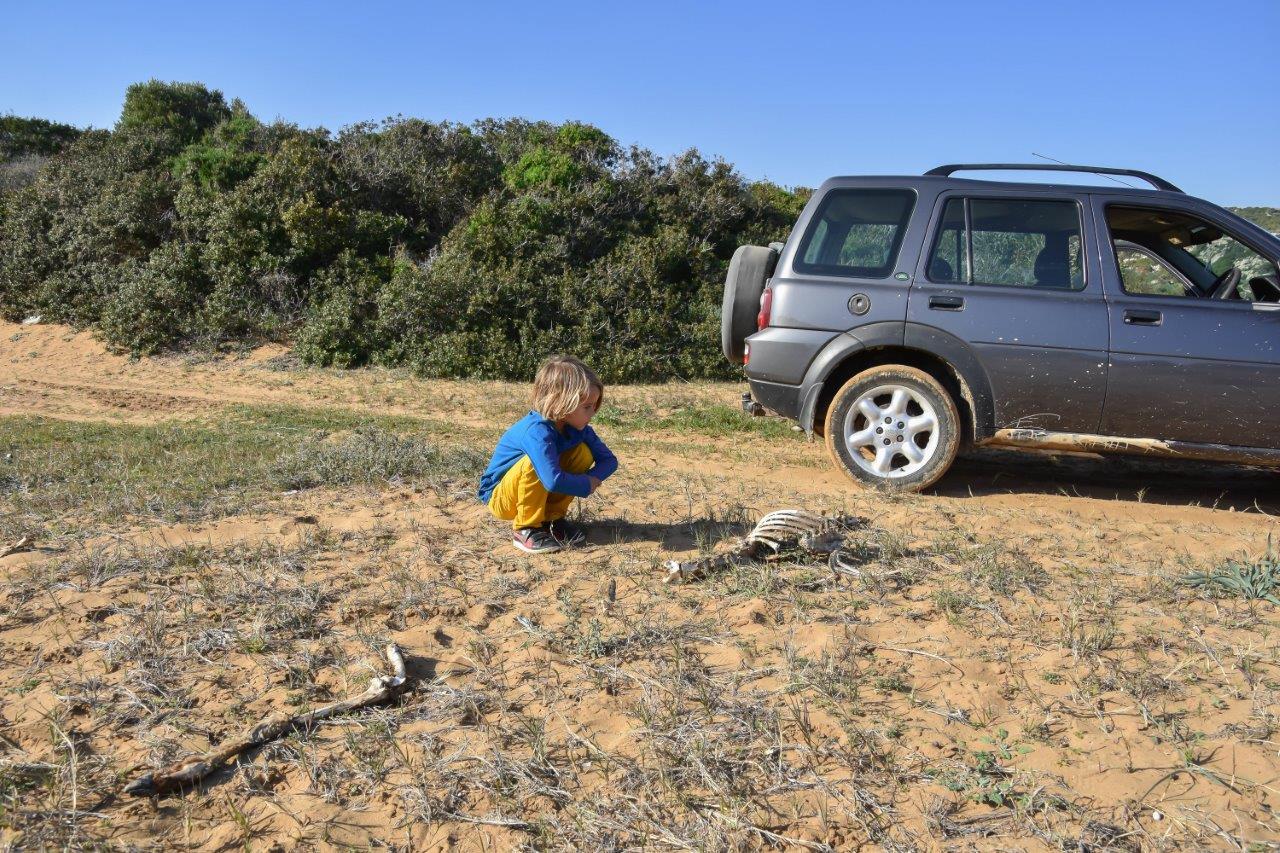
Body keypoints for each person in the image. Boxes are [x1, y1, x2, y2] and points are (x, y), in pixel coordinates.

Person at [478, 355, 618, 553]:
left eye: (594, 405)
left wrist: (594, 477)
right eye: (587, 406)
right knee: (532, 463)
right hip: (502, 499)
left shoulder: (578, 428)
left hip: (538, 490)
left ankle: (552, 519)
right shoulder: (536, 432)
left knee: (582, 454)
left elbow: (609, 461)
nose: (593, 412)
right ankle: (525, 528)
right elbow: (552, 481)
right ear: (562, 403)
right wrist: (585, 484)